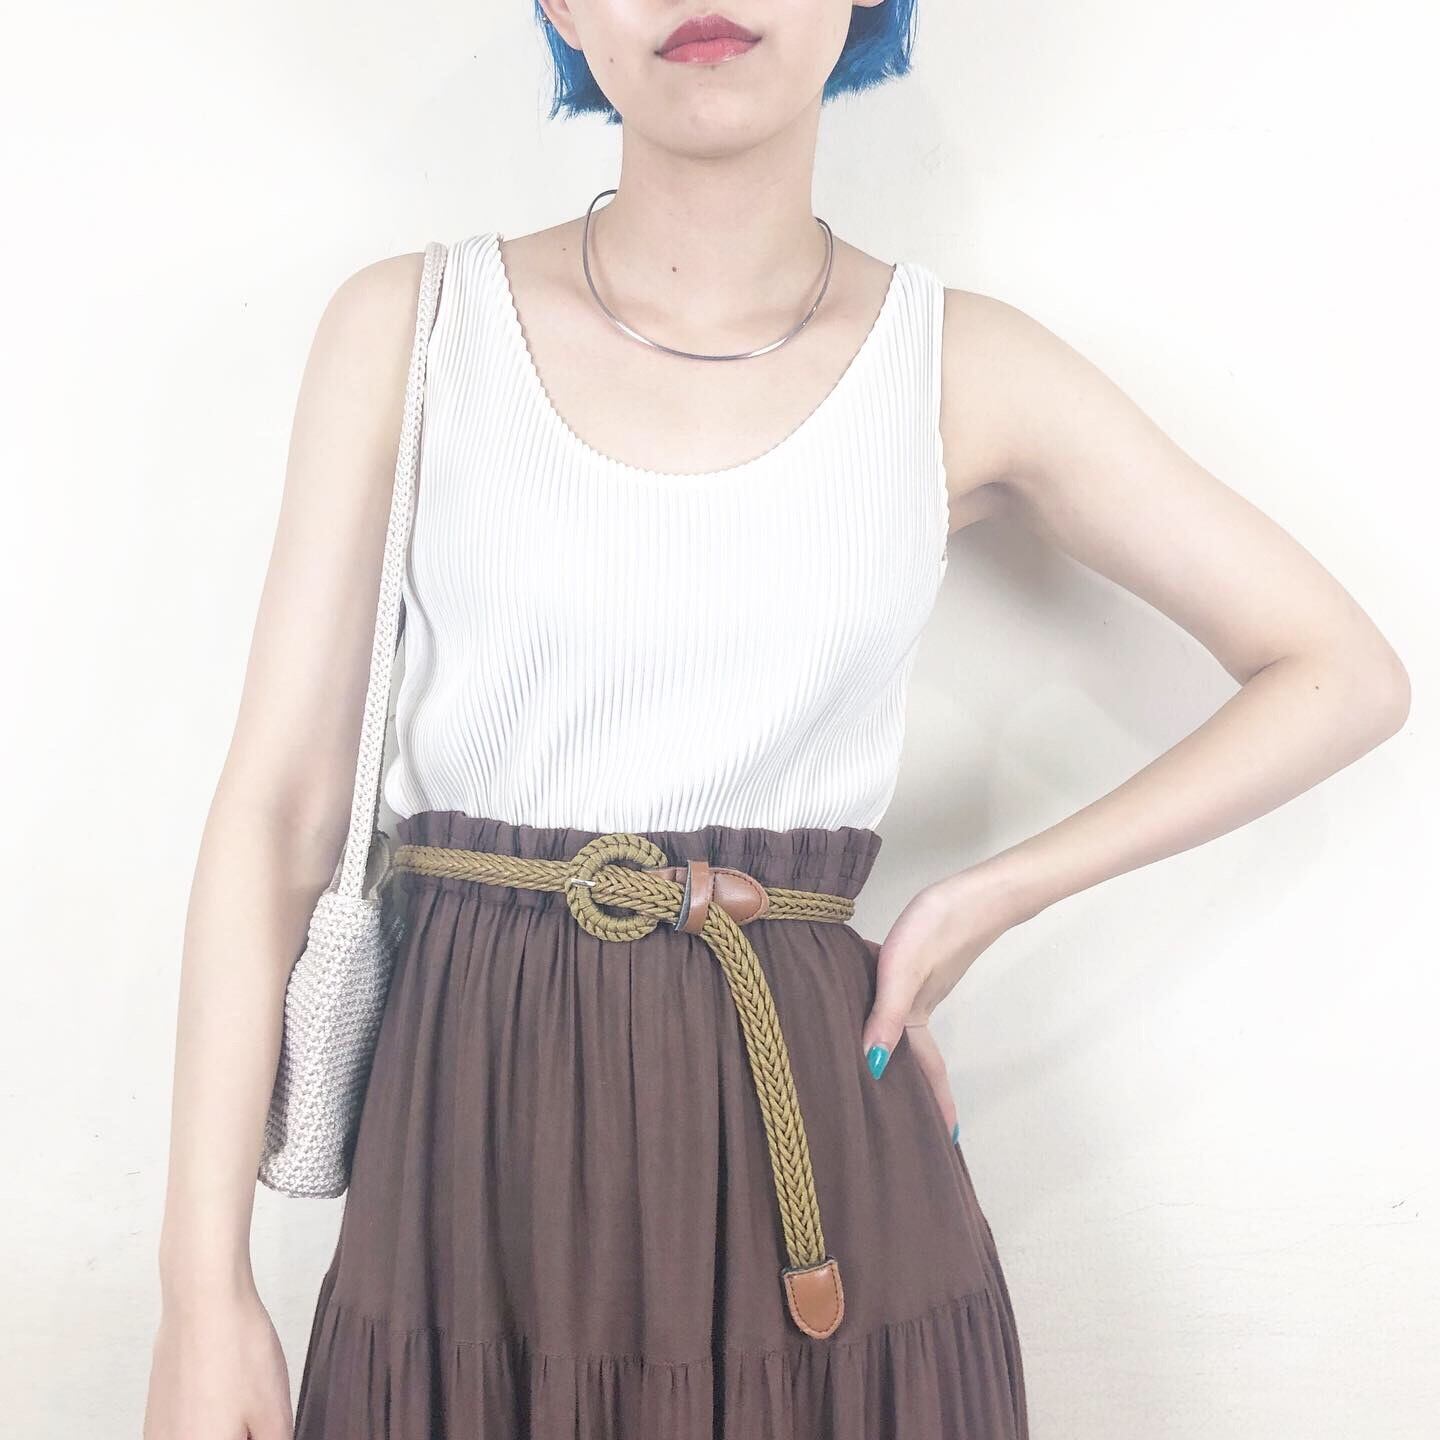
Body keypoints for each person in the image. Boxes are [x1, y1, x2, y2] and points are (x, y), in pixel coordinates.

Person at [142, 2, 1412, 1437]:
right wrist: (201, 1291)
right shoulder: (413, 329)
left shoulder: (959, 365)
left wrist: (989, 897)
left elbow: (1339, 671)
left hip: (811, 1158)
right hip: (474, 1162)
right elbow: (280, 816)